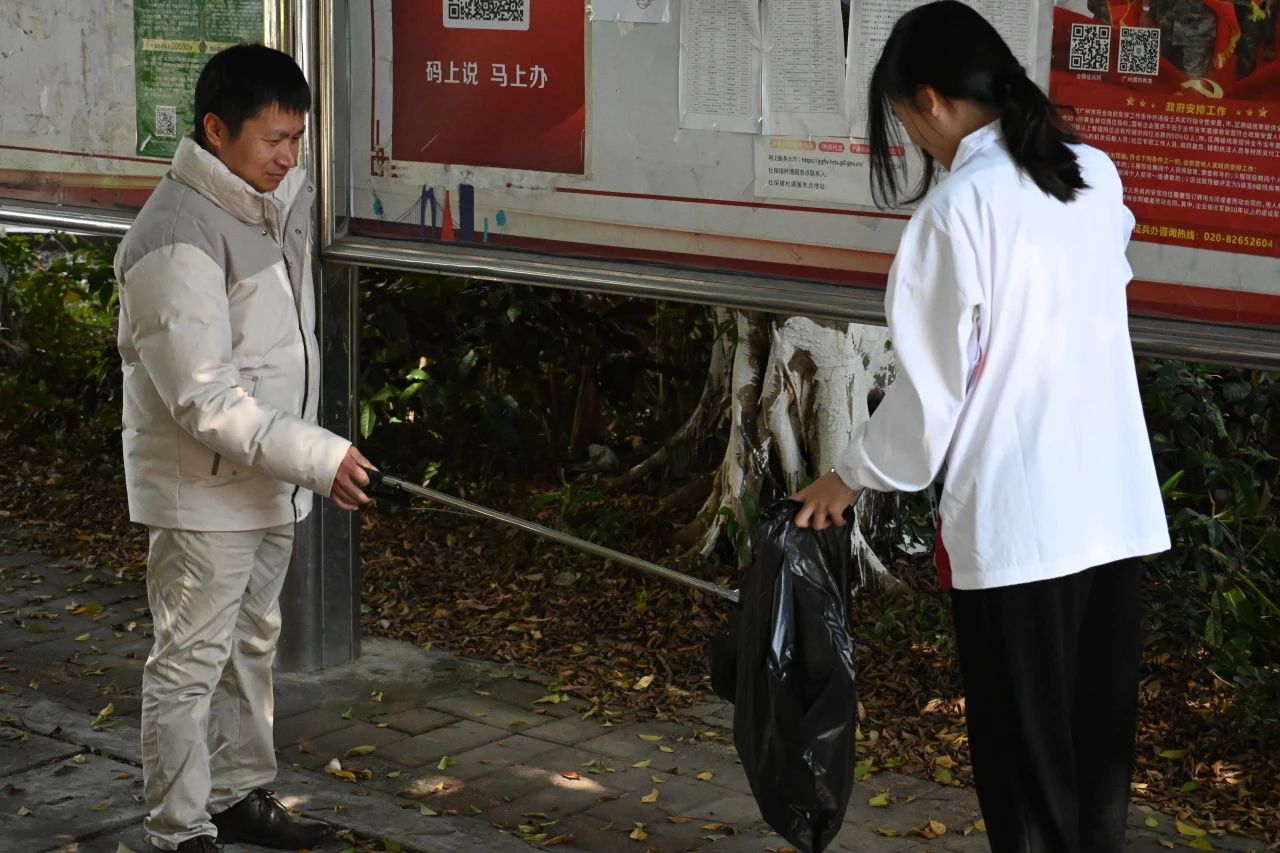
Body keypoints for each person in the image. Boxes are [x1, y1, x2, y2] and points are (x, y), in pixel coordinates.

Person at [790, 3, 1171, 851]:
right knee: (1094, 775)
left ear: (929, 100)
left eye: (904, 121)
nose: (914, 139)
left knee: (1029, 782)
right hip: (1112, 514)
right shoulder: (1092, 174)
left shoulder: (956, 211)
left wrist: (846, 476)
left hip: (1020, 528)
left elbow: (932, 399)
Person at [115, 44, 374, 853]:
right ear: (215, 130)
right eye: (273, 139)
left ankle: (236, 796)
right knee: (191, 659)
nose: (290, 157)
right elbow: (204, 397)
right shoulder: (174, 235)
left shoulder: (268, 197)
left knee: (251, 647)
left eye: (298, 138)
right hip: (203, 489)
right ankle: (177, 827)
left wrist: (304, 464)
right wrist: (318, 456)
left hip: (267, 480)